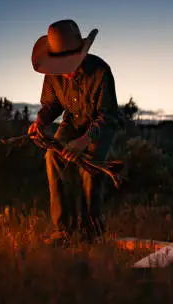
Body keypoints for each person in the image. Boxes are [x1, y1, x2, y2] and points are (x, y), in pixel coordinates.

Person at [28, 19, 120, 246]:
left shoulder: (100, 72)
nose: (65, 73)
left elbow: (107, 116)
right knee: (53, 157)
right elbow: (52, 104)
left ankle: (93, 232)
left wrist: (83, 141)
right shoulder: (53, 73)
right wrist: (40, 121)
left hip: (99, 125)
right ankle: (64, 230)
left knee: (89, 170)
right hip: (72, 120)